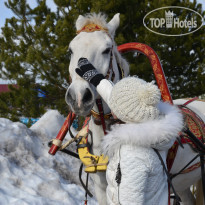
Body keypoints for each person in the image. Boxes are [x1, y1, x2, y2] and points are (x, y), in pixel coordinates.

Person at [76, 58, 184, 205]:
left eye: (114, 105)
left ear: (121, 113)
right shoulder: (149, 119)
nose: (111, 104)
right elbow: (118, 98)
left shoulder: (132, 155)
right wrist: (96, 78)